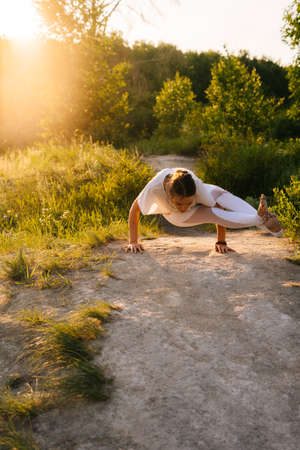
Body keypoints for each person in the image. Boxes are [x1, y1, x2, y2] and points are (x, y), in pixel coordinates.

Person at [125, 168, 282, 254]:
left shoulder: (195, 183)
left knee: (221, 194)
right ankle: (258, 220)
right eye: (179, 203)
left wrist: (221, 241)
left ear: (194, 195)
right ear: (168, 195)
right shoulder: (154, 187)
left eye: (188, 202)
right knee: (210, 214)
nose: (184, 207)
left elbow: (217, 206)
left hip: (200, 196)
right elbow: (135, 209)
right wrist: (133, 241)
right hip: (175, 217)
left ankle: (266, 221)